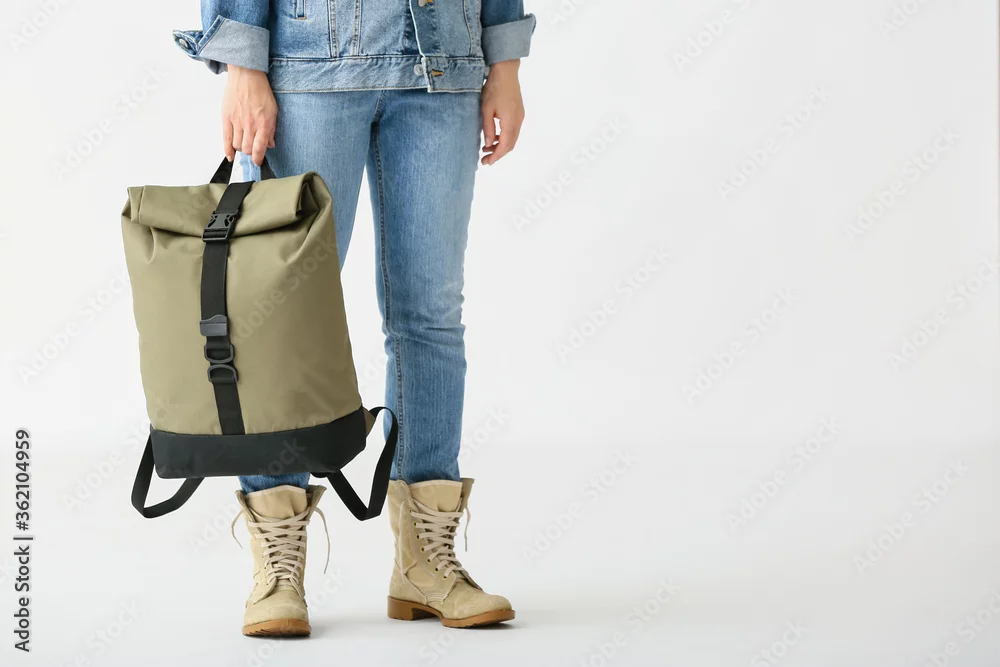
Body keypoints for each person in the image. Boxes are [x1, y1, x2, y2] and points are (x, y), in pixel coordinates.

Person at [174, 0, 535, 637]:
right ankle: (277, 566)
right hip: (309, 64)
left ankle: (426, 562)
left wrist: (503, 62)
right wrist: (242, 66)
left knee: (430, 316)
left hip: (442, 67)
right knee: (283, 317)